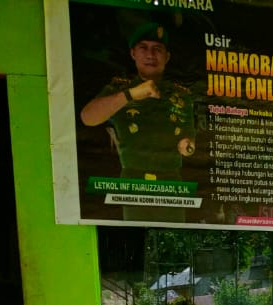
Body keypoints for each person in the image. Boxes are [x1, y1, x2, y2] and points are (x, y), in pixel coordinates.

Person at [79, 22, 196, 219]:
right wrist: (130, 95)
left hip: (171, 182)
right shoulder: (119, 88)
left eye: (157, 49)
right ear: (133, 53)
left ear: (167, 57)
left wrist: (188, 146)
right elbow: (88, 118)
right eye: (143, 48)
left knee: (173, 231)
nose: (150, 55)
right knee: (135, 231)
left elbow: (189, 136)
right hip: (134, 179)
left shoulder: (181, 95)